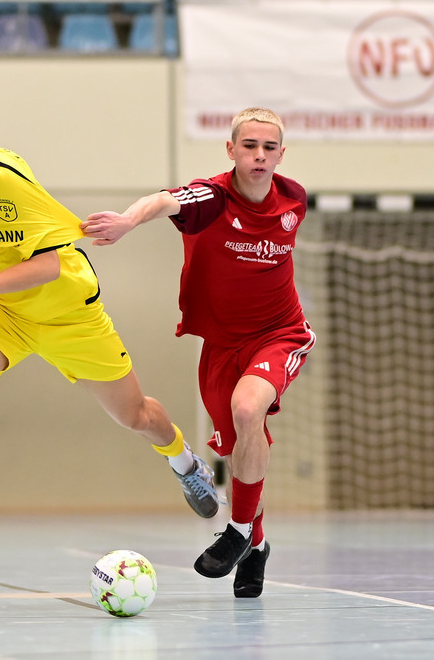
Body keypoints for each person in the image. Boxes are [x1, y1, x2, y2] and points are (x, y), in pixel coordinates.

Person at [0, 77, 219, 550]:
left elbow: (48, 265)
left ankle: (185, 464)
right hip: (5, 314)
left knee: (136, 416)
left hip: (71, 316)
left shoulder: (8, 184)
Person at [81, 107, 316, 598]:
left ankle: (236, 531)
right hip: (221, 345)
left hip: (279, 333)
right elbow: (165, 200)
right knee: (239, 446)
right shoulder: (211, 198)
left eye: (269, 148)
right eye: (249, 146)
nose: (259, 156)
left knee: (248, 408)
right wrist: (127, 220)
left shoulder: (294, 200)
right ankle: (258, 543)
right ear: (231, 150)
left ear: (281, 155)